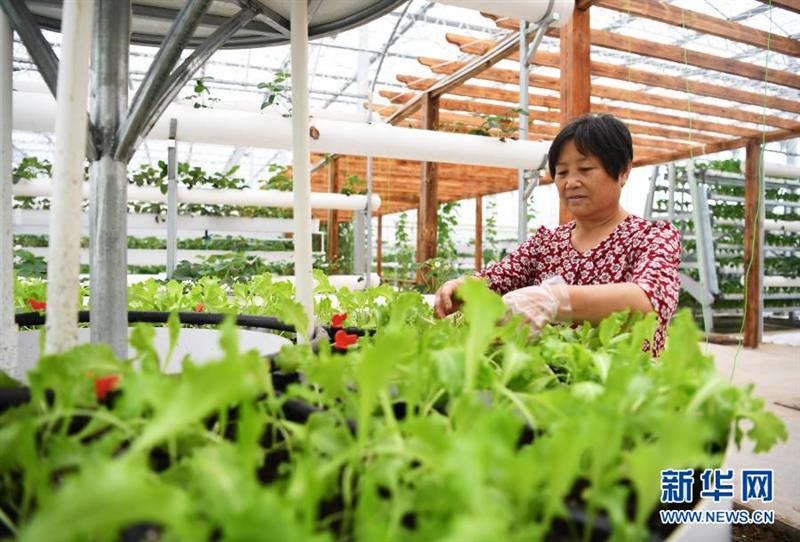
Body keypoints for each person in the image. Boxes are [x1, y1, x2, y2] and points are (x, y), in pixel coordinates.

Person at [434, 114, 681, 355]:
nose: (570, 182)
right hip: (551, 378)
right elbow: (496, 279)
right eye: (562, 173)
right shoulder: (546, 243)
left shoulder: (653, 237)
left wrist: (554, 299)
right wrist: (462, 287)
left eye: (585, 169)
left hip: (626, 379)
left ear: (623, 171)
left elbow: (649, 298)